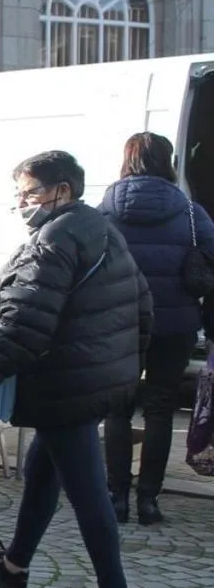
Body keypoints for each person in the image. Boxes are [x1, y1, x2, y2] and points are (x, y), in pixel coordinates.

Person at [0, 150, 150, 588]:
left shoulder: (55, 238)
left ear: (61, 190)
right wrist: (124, 365)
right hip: (90, 376)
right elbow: (141, 304)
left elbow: (26, 322)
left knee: (87, 490)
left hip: (67, 382)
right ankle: (14, 567)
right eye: (18, 195)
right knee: (42, 470)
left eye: (29, 193)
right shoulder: (101, 230)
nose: (22, 203)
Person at [100, 132, 214, 525]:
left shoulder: (104, 211)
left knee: (117, 408)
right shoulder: (191, 213)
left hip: (118, 323)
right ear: (169, 162)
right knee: (161, 407)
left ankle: (116, 497)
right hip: (176, 323)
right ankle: (149, 499)